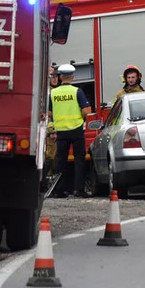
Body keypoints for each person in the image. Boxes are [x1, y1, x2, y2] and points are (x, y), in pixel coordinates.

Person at [50, 64, 92, 198]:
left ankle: (59, 190)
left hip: (60, 130)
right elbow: (86, 111)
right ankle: (78, 189)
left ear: (61, 77)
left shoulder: (53, 93)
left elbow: (50, 112)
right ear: (73, 77)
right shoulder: (77, 91)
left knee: (60, 161)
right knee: (79, 160)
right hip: (76, 129)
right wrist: (80, 117)